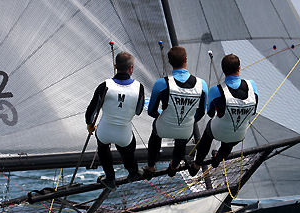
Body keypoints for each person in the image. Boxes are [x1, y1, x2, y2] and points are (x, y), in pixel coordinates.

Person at [188, 54, 259, 176]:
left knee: (208, 134)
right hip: (239, 134)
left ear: (223, 70)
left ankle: (196, 165)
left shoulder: (216, 90)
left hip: (218, 131)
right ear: (239, 68)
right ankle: (218, 159)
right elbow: (253, 111)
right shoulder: (252, 85)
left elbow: (210, 113)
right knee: (230, 139)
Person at [143, 46, 208, 178]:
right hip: (185, 130)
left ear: (170, 62)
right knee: (183, 135)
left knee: (156, 132)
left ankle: (150, 167)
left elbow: (151, 111)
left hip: (163, 128)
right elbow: (201, 113)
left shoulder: (161, 83)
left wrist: (163, 116)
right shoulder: (202, 84)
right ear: (186, 60)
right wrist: (187, 119)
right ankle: (174, 166)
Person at [85, 51, 144, 190]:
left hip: (104, 131)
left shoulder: (104, 85)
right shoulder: (139, 87)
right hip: (124, 134)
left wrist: (90, 125)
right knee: (127, 146)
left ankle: (110, 178)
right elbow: (139, 111)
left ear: (115, 66)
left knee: (103, 147)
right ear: (131, 68)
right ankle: (133, 172)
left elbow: (91, 111)